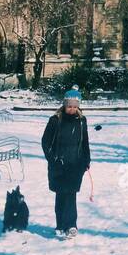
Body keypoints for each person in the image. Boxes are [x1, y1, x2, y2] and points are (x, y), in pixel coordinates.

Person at [41, 88, 91, 238]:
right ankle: (60, 225)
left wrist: (86, 160)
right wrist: (53, 159)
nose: (72, 109)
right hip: (59, 164)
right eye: (69, 106)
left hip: (75, 164)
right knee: (61, 195)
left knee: (70, 195)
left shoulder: (82, 121)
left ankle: (71, 226)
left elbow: (85, 142)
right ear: (64, 105)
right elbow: (45, 142)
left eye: (75, 107)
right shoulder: (55, 120)